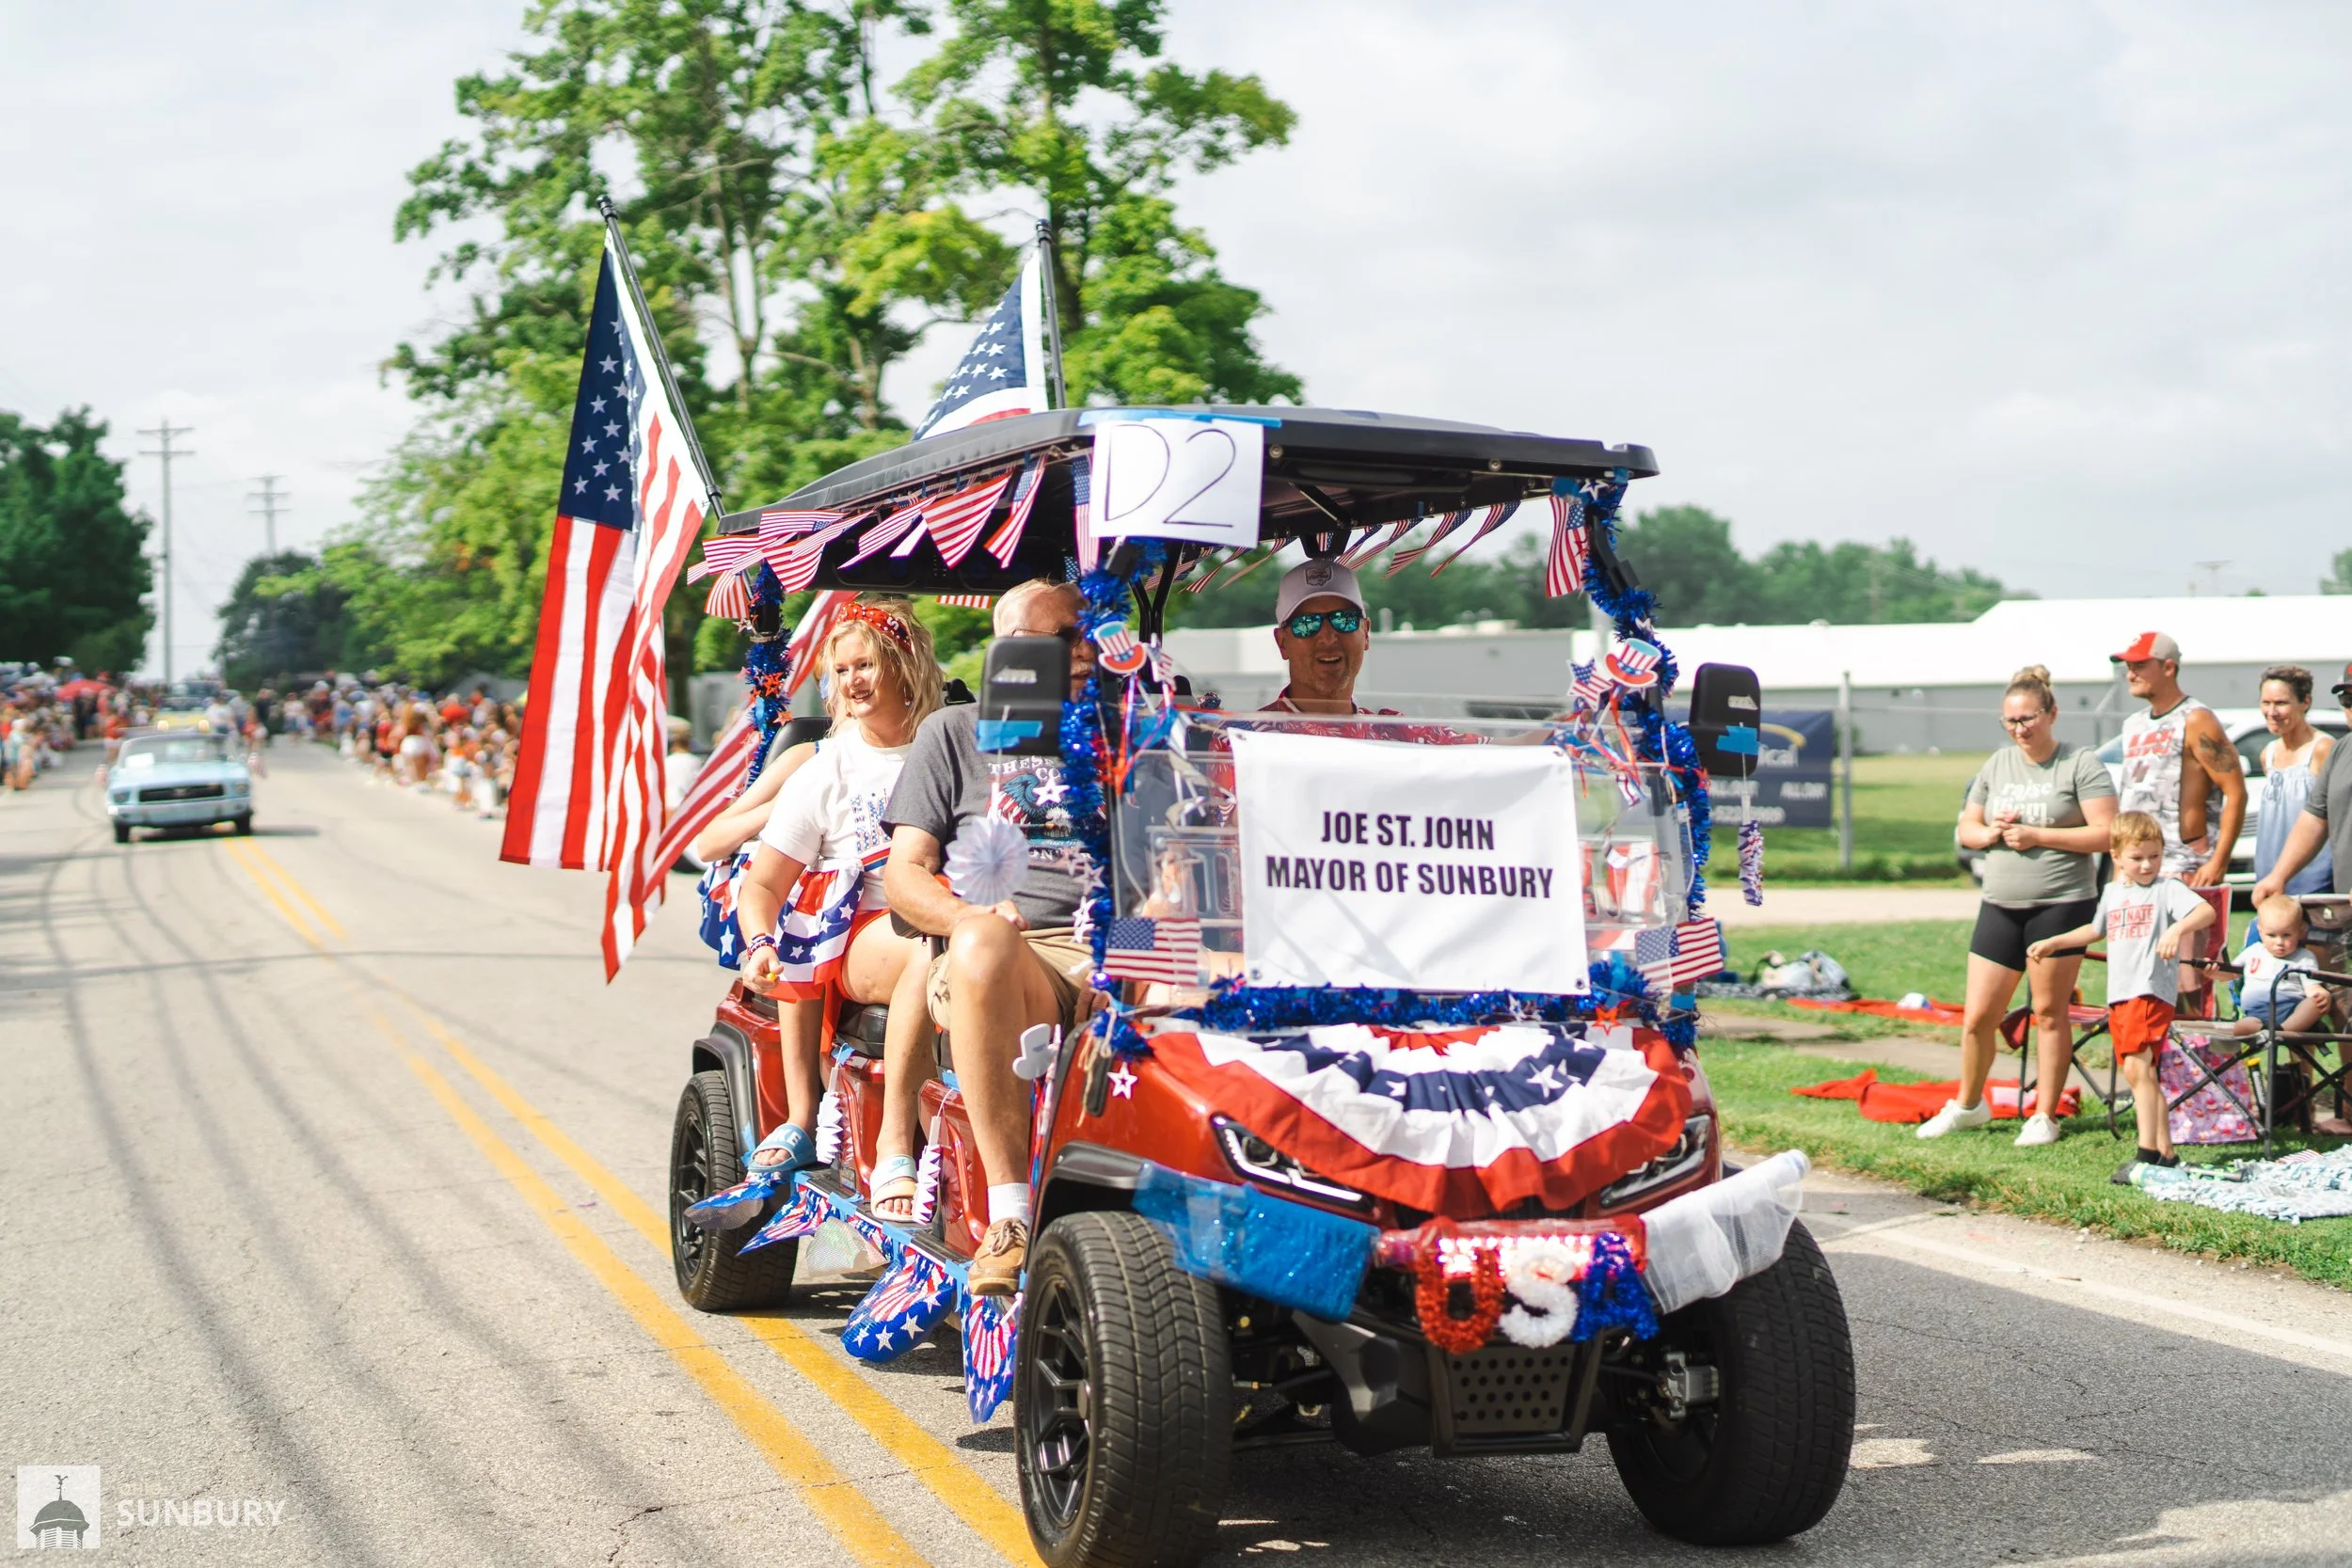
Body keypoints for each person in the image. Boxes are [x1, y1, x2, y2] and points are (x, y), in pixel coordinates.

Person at [882, 578, 1101, 1294]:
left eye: (1089, 630)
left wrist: (1131, 946)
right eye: (1062, 638)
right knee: (982, 943)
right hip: (1007, 950)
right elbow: (905, 874)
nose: (1083, 648)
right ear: (1011, 653)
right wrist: (967, 917)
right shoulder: (955, 733)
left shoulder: (1130, 734)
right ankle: (1009, 1216)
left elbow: (1173, 874)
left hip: (1109, 941)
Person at [735, 599, 943, 1211]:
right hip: (874, 929)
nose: (852, 680)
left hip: (963, 913)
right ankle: (896, 1143)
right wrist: (760, 942)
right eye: (842, 668)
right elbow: (764, 885)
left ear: (904, 663)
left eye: (866, 664)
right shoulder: (827, 770)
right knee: (928, 950)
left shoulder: (954, 741)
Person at [1921, 666, 2117, 1147]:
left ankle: (2044, 1114)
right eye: (2010, 721)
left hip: (2061, 903)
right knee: (1978, 1017)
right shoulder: (1997, 765)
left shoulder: (2080, 763)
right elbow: (1967, 828)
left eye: (2028, 718)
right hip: (2000, 904)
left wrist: (2037, 835)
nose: (2019, 729)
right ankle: (1969, 1105)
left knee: (2049, 1013)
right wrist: (1992, 832)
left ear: (2052, 714)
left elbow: (2108, 833)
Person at [2026, 812, 2216, 1184]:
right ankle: (2165, 1154)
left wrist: (2177, 928)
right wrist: (2054, 942)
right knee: (2144, 1073)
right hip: (2121, 993)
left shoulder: (2167, 889)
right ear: (2116, 857)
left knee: (2136, 1069)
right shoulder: (2113, 893)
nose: (2147, 865)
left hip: (2149, 990)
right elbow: (2095, 930)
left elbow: (2205, 911)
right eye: (2138, 857)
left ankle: (2145, 1154)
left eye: (2154, 856)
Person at [2111, 631, 2245, 889]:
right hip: (2134, 865)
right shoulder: (2133, 724)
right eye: (2128, 667)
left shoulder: (2196, 719)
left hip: (2184, 866)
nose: (2130, 675)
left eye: (2140, 666)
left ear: (2168, 667)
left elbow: (2236, 792)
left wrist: (2219, 861)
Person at [2252, 661, 2352, 904]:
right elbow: (2315, 817)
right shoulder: (2342, 750)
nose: (2272, 711)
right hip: (2340, 898)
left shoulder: (2324, 747)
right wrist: (2278, 876)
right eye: (2347, 700)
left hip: (2316, 884)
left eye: (2281, 703)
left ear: (2305, 702)